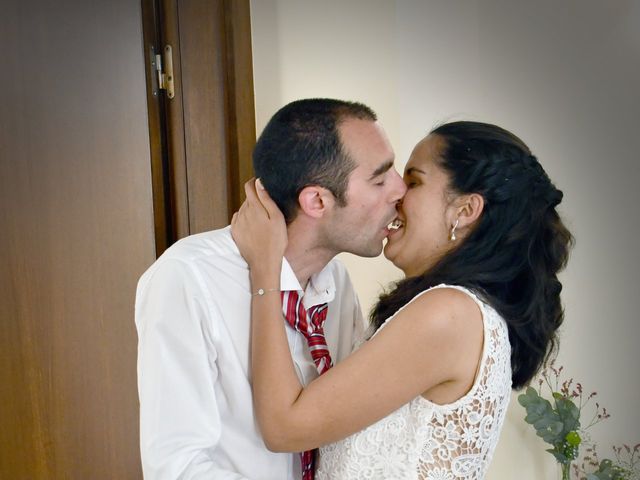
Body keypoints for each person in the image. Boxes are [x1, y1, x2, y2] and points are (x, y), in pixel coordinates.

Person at [231, 121, 574, 479]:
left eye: (413, 181)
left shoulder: (449, 314)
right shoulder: (459, 312)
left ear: (465, 210)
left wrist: (266, 266)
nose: (396, 193)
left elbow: (286, 427)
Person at [134, 98, 406, 479]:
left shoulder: (336, 282)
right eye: (379, 179)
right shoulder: (188, 277)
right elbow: (176, 467)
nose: (400, 189)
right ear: (316, 201)